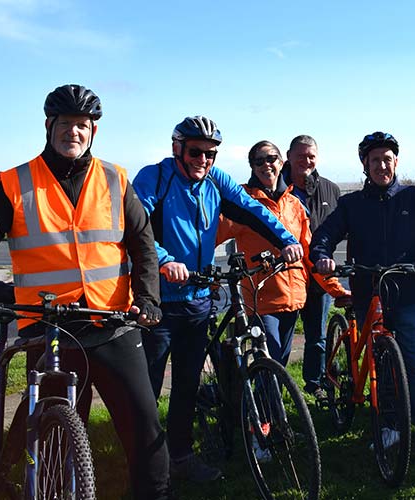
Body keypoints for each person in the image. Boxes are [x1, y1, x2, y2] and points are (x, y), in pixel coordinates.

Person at [0, 84, 170, 498]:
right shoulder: (13, 183)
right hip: (50, 324)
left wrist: (147, 298)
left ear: (93, 131)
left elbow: (143, 245)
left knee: (144, 423)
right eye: (66, 123)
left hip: (112, 322)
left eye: (83, 125)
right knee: (51, 431)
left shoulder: (114, 178)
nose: (74, 131)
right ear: (48, 126)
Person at [133, 116, 303, 482]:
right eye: (196, 152)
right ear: (177, 148)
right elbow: (136, 227)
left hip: (197, 299)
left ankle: (179, 456)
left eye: (211, 154)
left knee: (187, 385)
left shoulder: (215, 180)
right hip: (159, 301)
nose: (204, 160)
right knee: (147, 388)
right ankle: (144, 467)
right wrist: (164, 261)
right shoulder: (156, 178)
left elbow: (252, 210)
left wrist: (285, 240)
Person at [311, 131, 415, 467]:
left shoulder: (414, 198)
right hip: (367, 293)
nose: (381, 165)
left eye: (387, 159)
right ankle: (389, 427)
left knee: (414, 366)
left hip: (407, 293)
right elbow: (324, 236)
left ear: (396, 162)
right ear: (365, 164)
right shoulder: (351, 205)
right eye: (374, 160)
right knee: (378, 366)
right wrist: (322, 255)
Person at [216, 140, 348, 367]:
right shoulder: (243, 203)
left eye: (271, 159)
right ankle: (254, 402)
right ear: (252, 167)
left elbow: (310, 254)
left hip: (293, 298)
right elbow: (209, 238)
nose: (266, 165)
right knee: (271, 364)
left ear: (281, 162)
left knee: (279, 366)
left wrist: (336, 289)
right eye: (259, 161)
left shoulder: (294, 204)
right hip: (261, 300)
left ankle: (262, 401)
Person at [281, 135, 343, 398]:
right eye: (301, 156)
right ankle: (276, 389)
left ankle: (315, 382)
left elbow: (341, 228)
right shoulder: (277, 187)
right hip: (286, 277)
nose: (306, 161)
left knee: (317, 335)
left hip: (320, 276)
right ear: (289, 157)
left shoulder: (330, 189)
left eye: (311, 156)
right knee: (280, 340)